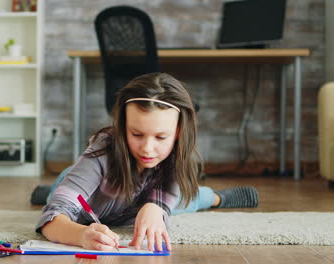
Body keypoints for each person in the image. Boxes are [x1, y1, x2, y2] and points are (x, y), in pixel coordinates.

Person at [35, 72, 258, 252]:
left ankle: (220, 198)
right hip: (89, 192)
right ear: (122, 127)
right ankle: (46, 190)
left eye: (161, 137)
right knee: (56, 196)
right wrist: (81, 235)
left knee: (187, 199)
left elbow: (167, 203)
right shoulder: (103, 149)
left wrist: (156, 208)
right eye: (137, 134)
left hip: (136, 200)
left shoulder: (176, 153)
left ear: (179, 132)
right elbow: (52, 218)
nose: (148, 148)